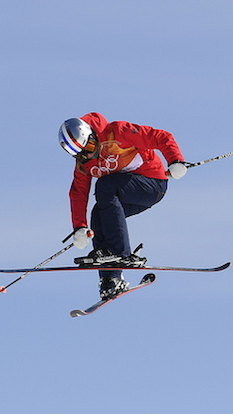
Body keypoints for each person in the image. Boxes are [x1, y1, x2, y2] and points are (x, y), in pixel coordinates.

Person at [58, 112, 187, 300]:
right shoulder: (84, 162)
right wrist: (80, 227)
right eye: (82, 154)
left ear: (91, 134)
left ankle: (120, 253)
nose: (90, 154)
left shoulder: (117, 132)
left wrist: (175, 160)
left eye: (91, 146)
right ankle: (111, 278)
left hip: (152, 184)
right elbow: (78, 191)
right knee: (98, 214)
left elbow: (160, 136)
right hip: (124, 193)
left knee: (104, 186)